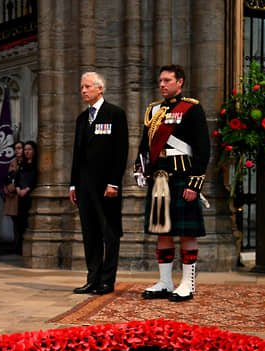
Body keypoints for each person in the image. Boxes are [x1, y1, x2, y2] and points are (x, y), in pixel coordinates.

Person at [136, 64, 210, 302]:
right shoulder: (153, 110)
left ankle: (187, 283)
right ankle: (165, 282)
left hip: (182, 178)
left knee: (187, 232)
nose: (162, 84)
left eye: (167, 80)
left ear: (180, 82)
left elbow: (203, 149)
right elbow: (145, 145)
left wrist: (194, 184)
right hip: (159, 179)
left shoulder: (192, 109)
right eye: (161, 80)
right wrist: (140, 167)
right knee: (162, 230)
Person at [69, 71, 129, 295]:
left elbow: (120, 152)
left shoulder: (115, 114)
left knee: (109, 233)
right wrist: (73, 185)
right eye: (81, 87)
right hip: (84, 187)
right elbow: (77, 154)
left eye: (87, 87)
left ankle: (107, 280)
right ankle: (92, 278)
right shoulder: (82, 119)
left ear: (99, 88)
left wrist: (114, 182)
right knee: (90, 233)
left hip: (106, 187)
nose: (83, 90)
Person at [10, 141, 38, 255]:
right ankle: (20, 248)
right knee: (20, 223)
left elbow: (35, 179)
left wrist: (27, 190)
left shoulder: (36, 165)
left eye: (29, 149)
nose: (27, 152)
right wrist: (18, 189)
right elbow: (16, 180)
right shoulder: (22, 165)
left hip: (29, 196)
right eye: (25, 149)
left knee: (28, 221)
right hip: (20, 196)